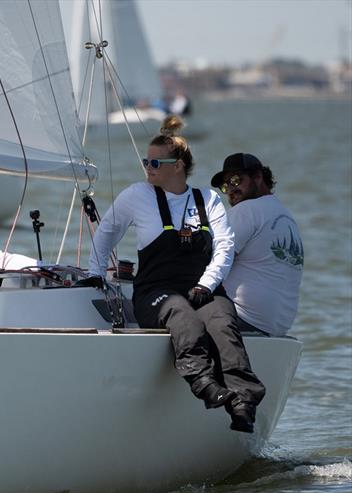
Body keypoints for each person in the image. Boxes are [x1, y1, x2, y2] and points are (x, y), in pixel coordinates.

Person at [87, 116, 265, 433]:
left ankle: (242, 404)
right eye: (146, 161)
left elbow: (225, 246)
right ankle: (205, 385)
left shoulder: (208, 200)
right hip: (155, 292)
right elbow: (106, 233)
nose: (148, 167)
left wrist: (206, 285)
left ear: (178, 166)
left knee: (224, 322)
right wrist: (95, 272)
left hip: (202, 289)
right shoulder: (136, 196)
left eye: (155, 162)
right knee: (185, 319)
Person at [211, 153, 304, 337]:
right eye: (226, 185)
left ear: (258, 177)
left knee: (147, 306)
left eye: (236, 180)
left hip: (241, 320)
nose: (230, 189)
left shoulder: (246, 210)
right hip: (276, 328)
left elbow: (208, 262)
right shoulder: (285, 216)